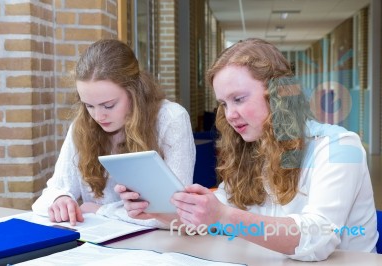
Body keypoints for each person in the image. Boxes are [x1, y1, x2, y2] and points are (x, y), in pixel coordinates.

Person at [116, 38, 378, 261]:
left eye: (239, 99)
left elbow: (317, 240)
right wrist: (159, 211)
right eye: (224, 104)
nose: (230, 114)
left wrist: (224, 216)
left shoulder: (339, 147)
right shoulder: (252, 148)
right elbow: (215, 216)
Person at [32, 39, 196, 227]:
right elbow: (51, 192)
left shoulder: (171, 119)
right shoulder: (83, 124)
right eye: (89, 106)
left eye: (108, 105)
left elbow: (179, 213)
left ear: (134, 92)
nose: (98, 116)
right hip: (98, 243)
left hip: (159, 243)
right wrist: (60, 199)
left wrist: (101, 210)